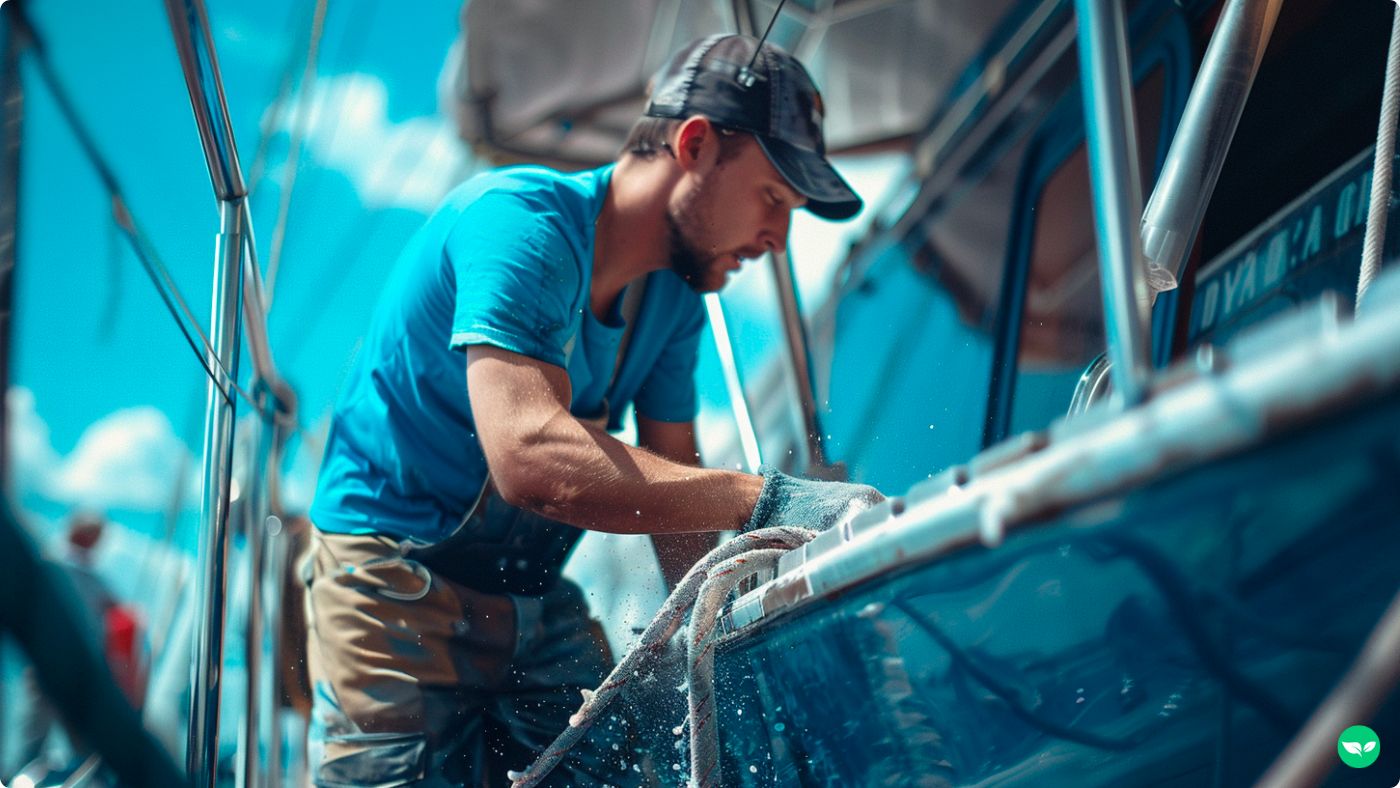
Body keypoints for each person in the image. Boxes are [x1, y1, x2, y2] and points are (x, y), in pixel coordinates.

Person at [304, 33, 885, 787]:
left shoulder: (676, 297)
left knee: (618, 766)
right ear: (697, 144)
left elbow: (681, 504)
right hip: (390, 593)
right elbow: (532, 459)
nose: (777, 239)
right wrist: (772, 499)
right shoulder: (520, 227)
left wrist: (731, 629)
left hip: (528, 604)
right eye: (773, 198)